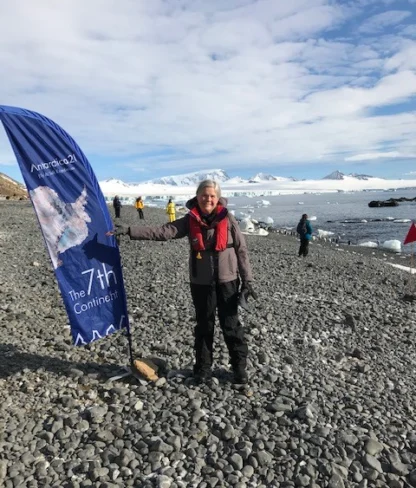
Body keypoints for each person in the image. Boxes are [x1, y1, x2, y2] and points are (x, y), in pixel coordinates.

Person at [114, 180, 256, 385]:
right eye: (204, 195)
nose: (208, 199)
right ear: (197, 197)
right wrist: (129, 230)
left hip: (228, 282)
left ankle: (239, 369)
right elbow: (163, 232)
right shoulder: (190, 220)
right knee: (204, 326)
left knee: (231, 326)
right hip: (201, 284)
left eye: (212, 196)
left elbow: (241, 251)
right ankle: (203, 370)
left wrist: (248, 281)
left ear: (218, 198)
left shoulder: (229, 219)